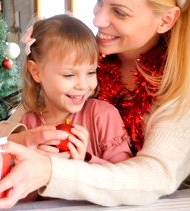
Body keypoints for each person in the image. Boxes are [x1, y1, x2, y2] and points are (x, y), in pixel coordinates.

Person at [0, 0, 190, 208]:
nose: (97, 19)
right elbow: (4, 131)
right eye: (100, 0)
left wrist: (51, 170)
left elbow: (156, 177)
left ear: (166, 19)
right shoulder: (85, 55)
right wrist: (21, 137)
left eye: (119, 12)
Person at [15, 14, 132, 166]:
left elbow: (123, 180)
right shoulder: (29, 123)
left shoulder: (103, 116)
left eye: (91, 72)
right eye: (69, 75)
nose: (83, 85)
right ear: (37, 72)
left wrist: (85, 161)